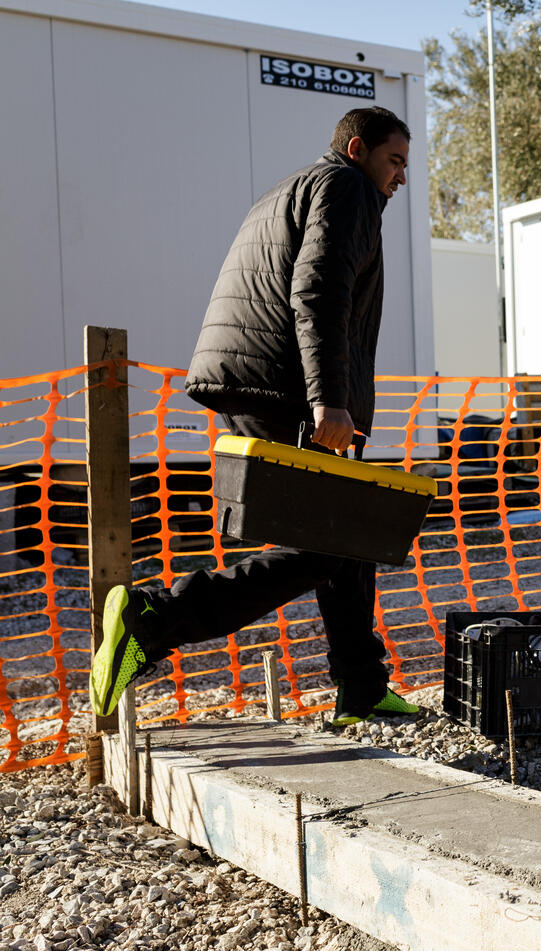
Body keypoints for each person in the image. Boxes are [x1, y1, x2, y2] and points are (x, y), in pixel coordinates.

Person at [90, 106, 420, 727]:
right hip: (289, 389)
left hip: (251, 380)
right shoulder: (344, 187)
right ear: (357, 149)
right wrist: (330, 399)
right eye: (394, 160)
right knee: (330, 544)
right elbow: (318, 290)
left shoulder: (290, 188)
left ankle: (362, 685)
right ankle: (155, 618)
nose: (400, 177)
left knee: (346, 537)